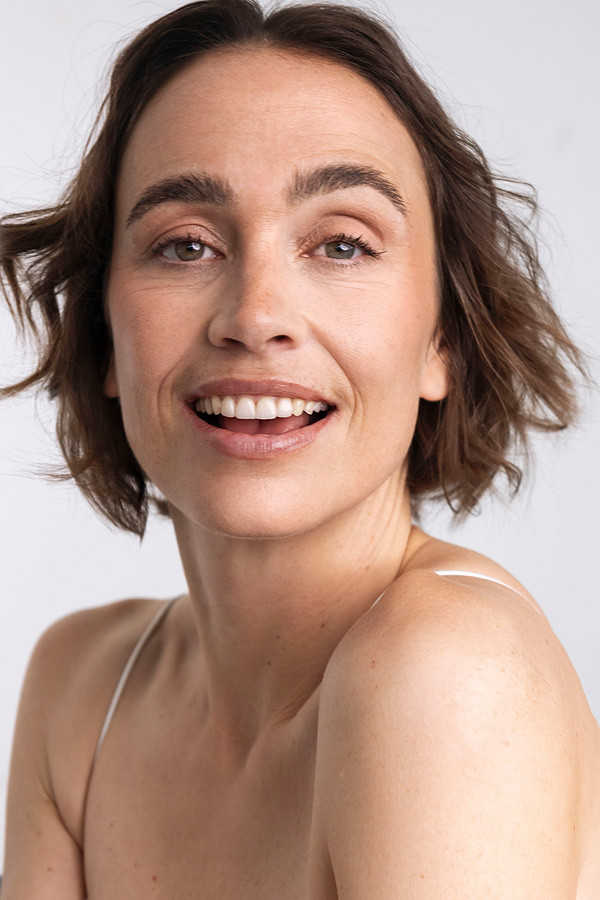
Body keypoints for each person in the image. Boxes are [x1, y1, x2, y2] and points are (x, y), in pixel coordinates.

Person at [1, 0, 598, 895]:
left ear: (442, 339)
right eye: (186, 245)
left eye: (343, 245)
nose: (255, 316)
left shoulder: (446, 668)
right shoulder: (82, 685)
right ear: (103, 333)